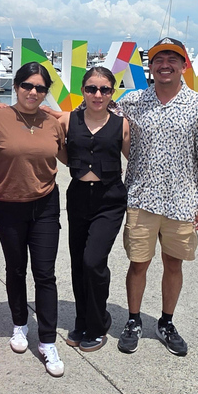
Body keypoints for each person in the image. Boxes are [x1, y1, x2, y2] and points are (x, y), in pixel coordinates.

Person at [115, 37, 198, 357]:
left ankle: (166, 322)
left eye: (173, 59)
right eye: (159, 59)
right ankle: (133, 321)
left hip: (183, 200)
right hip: (141, 197)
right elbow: (93, 113)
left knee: (174, 264)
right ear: (151, 66)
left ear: (184, 65)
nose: (165, 64)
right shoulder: (132, 102)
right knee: (138, 263)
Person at [0, 62, 67, 377]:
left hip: (45, 205)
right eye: (27, 86)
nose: (33, 92)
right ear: (16, 86)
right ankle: (20, 325)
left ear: (46, 93)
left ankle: (47, 340)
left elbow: (74, 152)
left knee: (45, 274)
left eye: (40, 88)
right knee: (15, 269)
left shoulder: (52, 122)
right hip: (8, 205)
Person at [60, 67, 130, 352]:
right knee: (78, 263)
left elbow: (135, 159)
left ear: (112, 93)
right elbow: (62, 154)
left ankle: (99, 322)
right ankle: (82, 319)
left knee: (93, 261)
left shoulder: (121, 124)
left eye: (104, 89)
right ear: (83, 91)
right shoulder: (68, 120)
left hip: (109, 199)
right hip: (78, 196)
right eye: (91, 89)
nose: (97, 94)